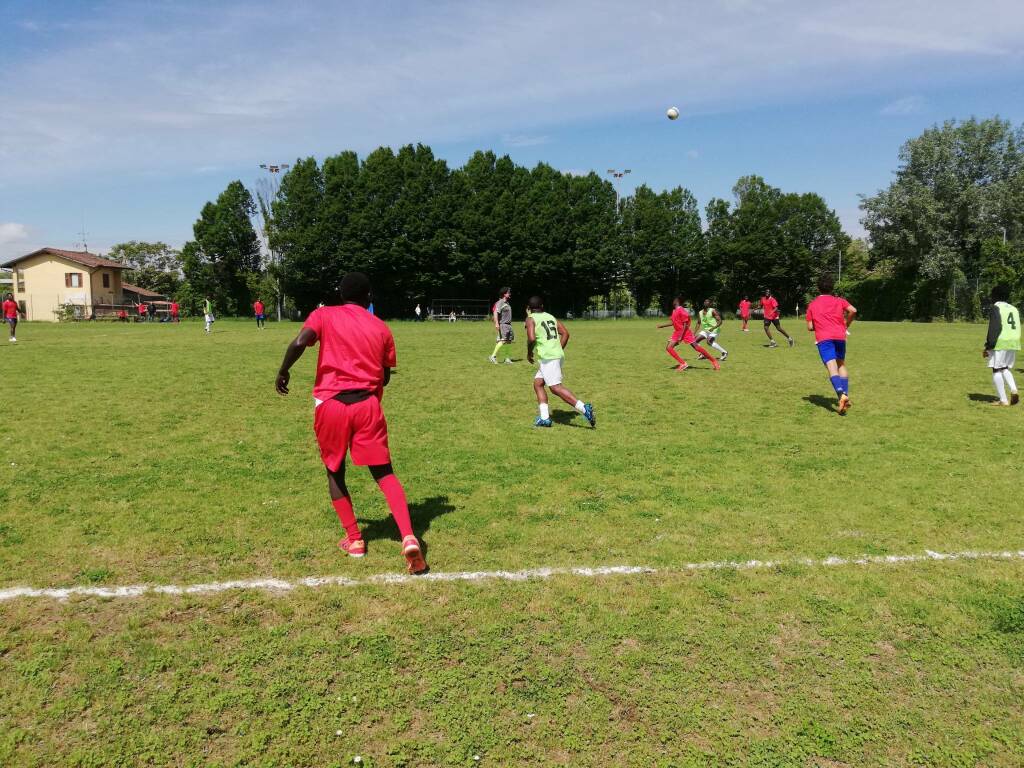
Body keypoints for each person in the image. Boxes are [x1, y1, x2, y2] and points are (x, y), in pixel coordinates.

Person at [275, 272, 427, 574]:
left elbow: (301, 341)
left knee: (334, 470)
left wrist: (283, 370)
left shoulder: (324, 314)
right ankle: (409, 536)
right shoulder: (381, 327)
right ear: (368, 296)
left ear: (340, 294)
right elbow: (384, 376)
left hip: (331, 404)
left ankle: (355, 540)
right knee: (384, 472)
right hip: (367, 404)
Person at [526, 295, 595, 428]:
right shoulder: (550, 316)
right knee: (538, 384)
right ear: (542, 306)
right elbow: (565, 333)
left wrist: (529, 353)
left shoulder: (531, 319)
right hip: (556, 355)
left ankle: (584, 408)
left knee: (555, 387)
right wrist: (558, 348)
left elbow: (532, 338)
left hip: (548, 357)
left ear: (529, 308)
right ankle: (545, 418)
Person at [806, 274, 857, 414]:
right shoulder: (839, 300)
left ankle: (841, 395)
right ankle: (845, 396)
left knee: (831, 367)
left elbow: (810, 327)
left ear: (818, 288)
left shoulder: (813, 304)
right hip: (840, 336)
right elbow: (853, 310)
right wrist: (846, 324)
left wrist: (822, 325)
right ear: (832, 287)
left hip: (824, 337)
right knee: (841, 364)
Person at [656, 297, 720, 372]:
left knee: (696, 347)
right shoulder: (674, 311)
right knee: (669, 347)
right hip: (677, 332)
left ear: (677, 301)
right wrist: (662, 326)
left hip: (685, 332)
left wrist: (681, 336)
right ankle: (683, 363)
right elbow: (673, 323)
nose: (672, 301)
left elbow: (685, 325)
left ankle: (714, 361)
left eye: (674, 300)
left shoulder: (682, 310)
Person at [983, 284, 1021, 407]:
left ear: (995, 296)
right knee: (1004, 368)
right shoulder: (1014, 308)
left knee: (996, 369)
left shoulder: (996, 307)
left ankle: (1003, 400)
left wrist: (988, 346)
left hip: (1001, 341)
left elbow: (994, 328)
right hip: (1013, 341)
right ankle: (1014, 390)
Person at [489, 287, 515, 364]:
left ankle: (507, 359)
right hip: (503, 324)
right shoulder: (500, 302)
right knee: (503, 340)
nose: (510, 294)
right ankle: (492, 356)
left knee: (509, 341)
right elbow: (495, 312)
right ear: (504, 294)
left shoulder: (507, 303)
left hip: (509, 325)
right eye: (508, 292)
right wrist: (496, 323)